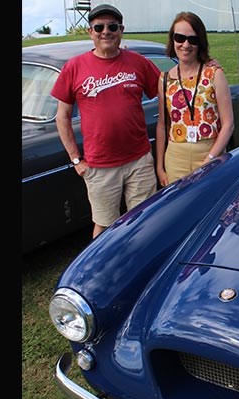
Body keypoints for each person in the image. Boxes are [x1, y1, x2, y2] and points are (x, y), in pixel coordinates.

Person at [51, 4, 162, 239]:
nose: (106, 32)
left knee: (144, 220)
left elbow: (166, 88)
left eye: (112, 26)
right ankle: (102, 274)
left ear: (121, 30)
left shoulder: (138, 62)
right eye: (99, 27)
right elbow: (62, 117)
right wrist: (76, 159)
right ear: (90, 32)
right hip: (99, 166)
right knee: (104, 227)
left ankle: (139, 266)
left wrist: (202, 65)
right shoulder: (74, 67)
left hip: (139, 161)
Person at [155, 12, 235, 186]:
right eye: (180, 38)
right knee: (178, 208)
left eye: (193, 39)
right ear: (172, 40)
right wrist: (160, 167)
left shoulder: (214, 74)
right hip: (176, 157)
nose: (185, 45)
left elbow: (228, 124)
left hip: (209, 152)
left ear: (200, 42)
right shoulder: (165, 79)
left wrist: (210, 158)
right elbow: (162, 125)